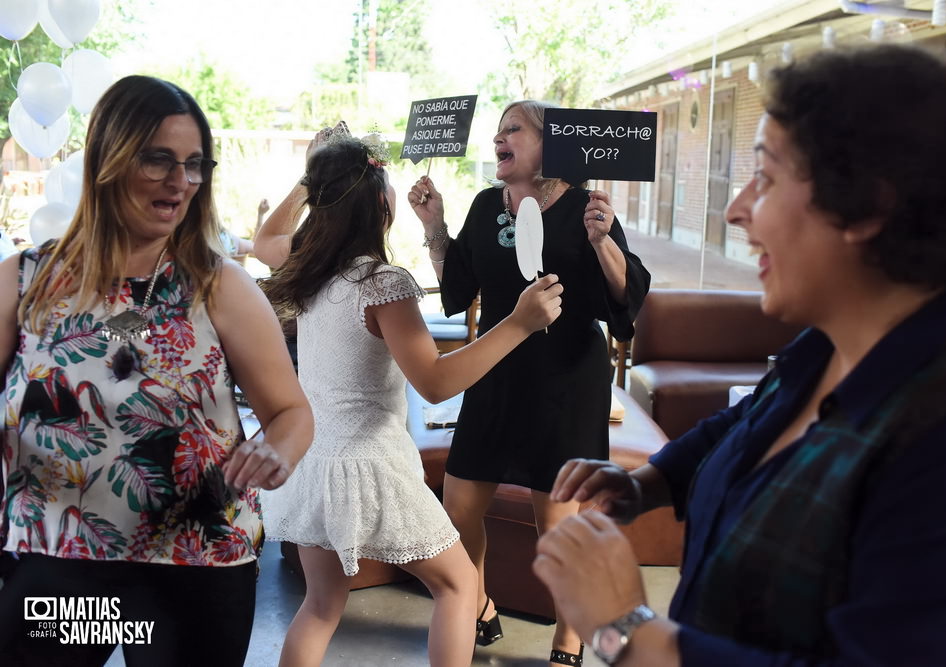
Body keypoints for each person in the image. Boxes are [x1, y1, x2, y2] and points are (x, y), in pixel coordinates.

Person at [532, 44, 946, 666]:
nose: (737, 210)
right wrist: (646, 483)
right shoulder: (832, 342)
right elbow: (749, 422)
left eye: (768, 177)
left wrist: (626, 630)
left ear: (868, 205)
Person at [0, 75, 313, 667]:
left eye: (195, 164)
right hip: (58, 554)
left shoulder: (219, 285)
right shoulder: (27, 280)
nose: (181, 181)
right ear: (108, 161)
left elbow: (291, 412)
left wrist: (278, 450)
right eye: (159, 160)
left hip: (193, 558)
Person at [254, 130, 563, 667]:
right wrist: (518, 323)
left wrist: (317, 175)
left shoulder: (308, 265)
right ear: (379, 203)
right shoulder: (382, 282)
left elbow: (264, 239)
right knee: (459, 586)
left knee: (322, 604)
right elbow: (436, 383)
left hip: (312, 460)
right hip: (370, 466)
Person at [408, 100, 650, 665]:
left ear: (549, 144)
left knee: (559, 531)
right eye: (497, 131)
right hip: (495, 374)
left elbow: (625, 296)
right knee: (459, 512)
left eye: (513, 128)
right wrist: (434, 226)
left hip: (565, 384)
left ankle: (569, 639)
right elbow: (458, 283)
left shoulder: (586, 208)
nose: (499, 137)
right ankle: (480, 604)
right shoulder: (486, 204)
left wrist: (602, 241)